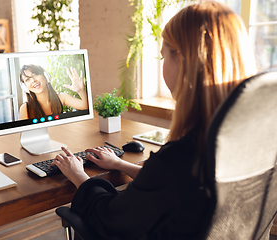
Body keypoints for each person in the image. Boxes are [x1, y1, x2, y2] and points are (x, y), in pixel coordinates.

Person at [52, 1, 258, 239]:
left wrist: (78, 174)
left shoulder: (180, 157)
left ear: (182, 60)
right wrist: (120, 165)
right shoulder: (242, 140)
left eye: (164, 56)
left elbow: (111, 219)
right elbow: (171, 188)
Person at [19, 64, 88, 120]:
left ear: (46, 76)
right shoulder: (25, 109)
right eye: (27, 80)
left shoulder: (61, 97)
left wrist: (81, 91)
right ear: (25, 87)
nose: (33, 80)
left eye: (35, 75)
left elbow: (85, 106)